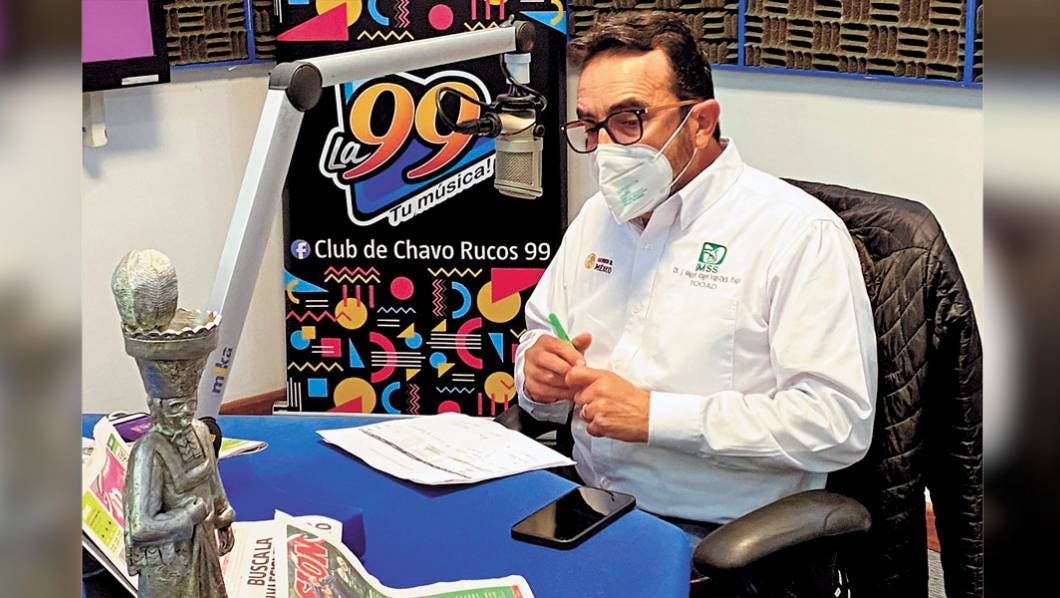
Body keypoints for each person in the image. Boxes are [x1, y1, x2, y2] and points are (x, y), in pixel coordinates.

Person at [514, 11, 878, 548]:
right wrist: (537, 375)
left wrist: (656, 418)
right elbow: (542, 338)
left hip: (721, 535)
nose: (607, 148)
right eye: (590, 126)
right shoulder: (597, 219)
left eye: (630, 120)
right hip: (586, 504)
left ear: (701, 122)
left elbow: (837, 424)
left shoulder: (795, 233)